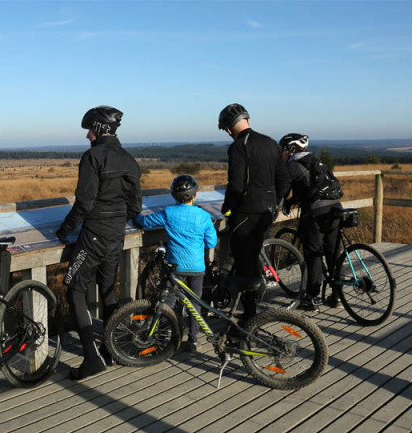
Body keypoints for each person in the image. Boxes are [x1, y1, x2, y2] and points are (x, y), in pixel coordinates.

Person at [56, 105, 142, 380]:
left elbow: (84, 202)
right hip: (117, 233)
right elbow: (136, 207)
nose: (87, 136)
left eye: (90, 130)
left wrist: (64, 230)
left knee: (74, 289)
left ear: (100, 129)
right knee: (107, 290)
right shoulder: (129, 159)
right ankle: (111, 349)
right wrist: (117, 219)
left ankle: (92, 359)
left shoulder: (93, 157)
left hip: (93, 235)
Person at [218, 103, 290, 319]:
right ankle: (251, 312)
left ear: (230, 128)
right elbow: (284, 179)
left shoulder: (238, 146)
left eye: (227, 130)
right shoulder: (270, 143)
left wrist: (227, 210)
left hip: (246, 214)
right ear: (247, 119)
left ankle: (249, 318)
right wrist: (275, 203)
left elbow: (236, 186)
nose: (229, 134)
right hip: (267, 213)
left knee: (244, 266)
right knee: (253, 260)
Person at [133, 175, 218, 352]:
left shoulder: (169, 213)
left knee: (168, 302)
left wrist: (134, 215)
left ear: (174, 196)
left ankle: (163, 337)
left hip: (175, 268)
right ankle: (193, 341)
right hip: (197, 268)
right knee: (195, 304)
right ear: (194, 196)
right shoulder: (203, 216)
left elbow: (145, 222)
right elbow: (211, 243)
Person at [280, 133, 343, 311]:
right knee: (333, 252)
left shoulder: (293, 165)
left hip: (316, 211)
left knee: (313, 253)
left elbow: (283, 189)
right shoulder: (317, 160)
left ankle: (312, 297)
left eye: (283, 149)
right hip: (336, 208)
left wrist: (282, 202)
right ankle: (337, 296)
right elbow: (308, 187)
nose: (282, 153)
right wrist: (293, 201)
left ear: (291, 150)